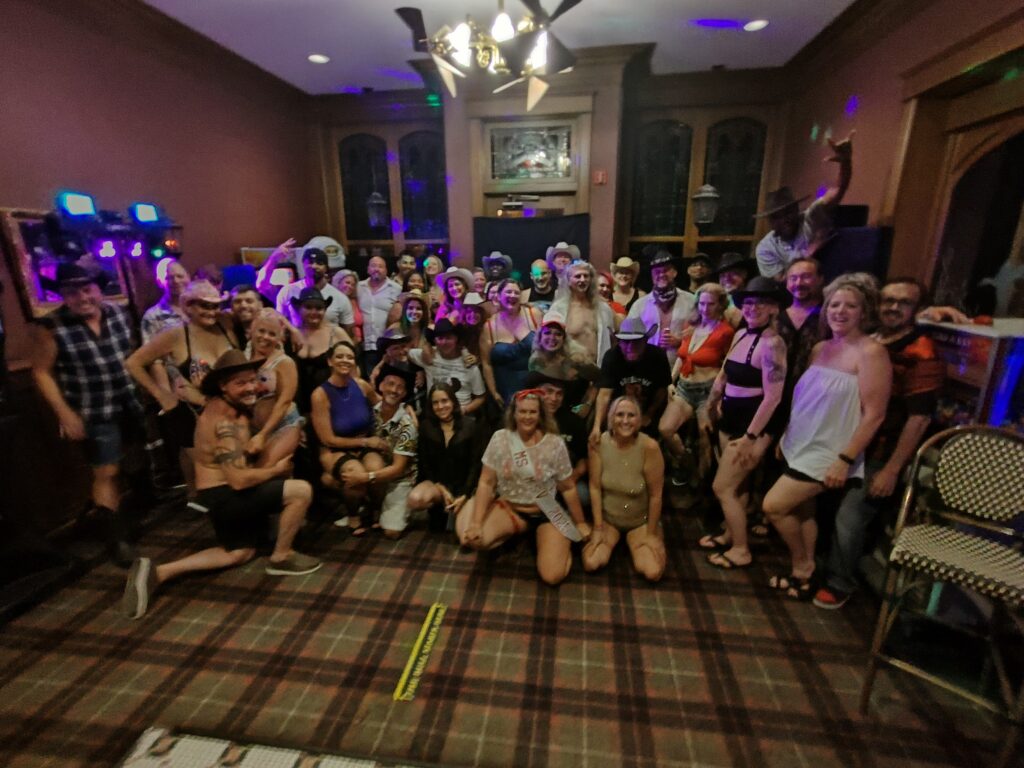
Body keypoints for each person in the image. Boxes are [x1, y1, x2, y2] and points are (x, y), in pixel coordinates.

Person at [122, 351, 321, 620]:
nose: (251, 387)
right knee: (301, 490)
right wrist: (277, 470)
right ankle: (281, 557)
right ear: (224, 386)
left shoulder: (220, 404)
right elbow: (239, 481)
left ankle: (159, 572)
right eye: (241, 383)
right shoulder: (227, 423)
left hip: (216, 493)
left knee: (239, 553)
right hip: (224, 496)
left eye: (252, 380)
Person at [813, 277, 942, 609]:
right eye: (888, 300)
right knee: (829, 509)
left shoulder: (922, 350)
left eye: (904, 302)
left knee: (850, 517)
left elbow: (919, 418)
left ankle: (840, 582)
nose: (894, 307)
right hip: (848, 443)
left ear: (918, 309)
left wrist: (893, 469)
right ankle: (821, 567)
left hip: (882, 450)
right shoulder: (869, 339)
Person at [762, 274, 891, 600]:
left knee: (774, 506)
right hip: (801, 442)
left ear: (864, 311)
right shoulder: (821, 348)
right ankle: (804, 576)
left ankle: (803, 565)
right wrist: (787, 435)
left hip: (831, 451)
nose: (840, 311)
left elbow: (875, 414)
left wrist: (845, 459)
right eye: (834, 304)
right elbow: (807, 398)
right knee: (804, 511)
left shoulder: (872, 352)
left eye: (850, 306)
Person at [32, 263, 140, 566]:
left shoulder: (117, 313)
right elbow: (41, 372)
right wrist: (65, 414)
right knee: (106, 472)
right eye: (72, 292)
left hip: (129, 402)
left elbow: (131, 354)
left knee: (132, 462)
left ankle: (115, 514)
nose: (82, 297)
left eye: (86, 289)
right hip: (93, 410)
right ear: (62, 295)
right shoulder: (51, 327)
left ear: (97, 289)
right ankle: (116, 538)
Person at [456, 390, 590, 586]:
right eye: (523, 411)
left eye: (532, 412)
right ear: (514, 413)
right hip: (511, 507)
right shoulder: (500, 438)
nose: (527, 416)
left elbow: (568, 488)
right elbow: (486, 482)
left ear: (540, 414)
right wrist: (476, 523)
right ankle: (519, 532)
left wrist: (580, 523)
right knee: (475, 540)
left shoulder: (555, 443)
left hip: (547, 510)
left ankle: (556, 543)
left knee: (552, 576)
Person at [701, 277, 790, 569]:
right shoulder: (741, 334)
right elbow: (724, 374)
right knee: (737, 488)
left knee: (723, 487)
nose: (753, 308)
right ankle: (730, 535)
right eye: (749, 302)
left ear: (774, 308)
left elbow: (773, 397)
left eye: (761, 303)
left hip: (753, 426)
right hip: (730, 416)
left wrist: (751, 437)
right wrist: (711, 403)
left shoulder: (773, 344)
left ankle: (741, 549)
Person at [126, 280, 241, 488]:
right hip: (194, 415)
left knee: (237, 473)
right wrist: (162, 395)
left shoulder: (226, 323)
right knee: (212, 479)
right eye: (204, 305)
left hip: (233, 411)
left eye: (215, 305)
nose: (212, 311)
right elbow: (134, 363)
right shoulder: (175, 334)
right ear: (188, 306)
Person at [583, 396, 666, 581]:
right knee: (590, 562)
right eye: (620, 415)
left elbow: (656, 495)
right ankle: (615, 539)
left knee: (652, 572)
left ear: (639, 420)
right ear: (611, 418)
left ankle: (648, 536)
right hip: (609, 520)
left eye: (631, 415)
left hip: (640, 522)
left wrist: (651, 534)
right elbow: (594, 487)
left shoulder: (650, 447)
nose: (625, 421)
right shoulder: (598, 443)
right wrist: (598, 527)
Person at [659, 283, 735, 485]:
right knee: (665, 429)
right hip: (684, 387)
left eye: (711, 304)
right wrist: (670, 380)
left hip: (707, 390)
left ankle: (702, 482)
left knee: (705, 435)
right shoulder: (691, 326)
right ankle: (687, 464)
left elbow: (727, 365)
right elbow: (682, 356)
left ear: (720, 305)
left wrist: (718, 395)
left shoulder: (725, 331)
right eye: (702, 303)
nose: (705, 308)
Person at [754, 133, 853, 280]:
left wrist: (845, 162)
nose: (784, 220)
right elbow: (780, 281)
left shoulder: (812, 217)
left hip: (832, 277)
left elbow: (838, 190)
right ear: (769, 221)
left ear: (796, 209)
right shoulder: (765, 247)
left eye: (787, 212)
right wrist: (810, 252)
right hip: (795, 291)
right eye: (776, 217)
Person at [339, 364, 418, 538]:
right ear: (380, 386)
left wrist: (364, 478)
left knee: (391, 532)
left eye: (400, 387)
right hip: (373, 469)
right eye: (390, 384)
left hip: (398, 479)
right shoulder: (368, 412)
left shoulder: (408, 426)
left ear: (404, 393)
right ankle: (368, 506)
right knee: (336, 477)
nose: (394, 390)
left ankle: (384, 507)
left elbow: (398, 468)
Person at [310, 341, 381, 531]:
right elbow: (327, 439)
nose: (345, 360)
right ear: (330, 361)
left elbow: (382, 406)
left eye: (350, 357)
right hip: (335, 448)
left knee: (376, 469)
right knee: (354, 474)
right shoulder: (320, 394)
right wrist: (366, 441)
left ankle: (375, 510)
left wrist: (405, 408)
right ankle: (353, 514)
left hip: (363, 443)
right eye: (340, 356)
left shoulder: (362, 385)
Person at [407, 383, 484, 532]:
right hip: (438, 485)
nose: (440, 406)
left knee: (463, 534)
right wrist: (442, 489)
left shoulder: (471, 426)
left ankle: (459, 509)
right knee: (415, 499)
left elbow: (475, 465)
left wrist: (465, 494)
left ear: (453, 401)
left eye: (444, 401)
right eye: (435, 403)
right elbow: (425, 465)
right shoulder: (426, 427)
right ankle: (440, 507)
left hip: (465, 487)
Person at [589, 318, 672, 446]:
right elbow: (604, 394)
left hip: (649, 409)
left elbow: (661, 391)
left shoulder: (658, 356)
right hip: (617, 411)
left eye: (636, 342)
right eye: (626, 342)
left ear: (645, 341)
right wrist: (597, 426)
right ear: (619, 342)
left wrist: (649, 414)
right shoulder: (612, 356)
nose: (630, 347)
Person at [248, 309, 303, 468]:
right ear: (252, 330)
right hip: (252, 428)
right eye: (261, 331)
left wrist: (263, 435)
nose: (265, 337)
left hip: (283, 426)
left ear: (279, 337)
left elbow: (284, 402)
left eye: (272, 334)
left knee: (262, 471)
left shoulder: (285, 362)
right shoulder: (244, 356)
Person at [528, 372, 590, 506]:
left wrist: (572, 478)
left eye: (559, 394)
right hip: (532, 479)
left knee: (583, 495)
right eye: (549, 391)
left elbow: (584, 461)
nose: (554, 398)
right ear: (536, 391)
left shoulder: (574, 422)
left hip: (564, 479)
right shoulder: (526, 418)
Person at [626, 252, 695, 366]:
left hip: (682, 369)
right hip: (646, 367)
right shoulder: (639, 305)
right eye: (657, 272)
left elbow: (704, 334)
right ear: (652, 276)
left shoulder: (691, 301)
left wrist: (681, 341)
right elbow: (628, 338)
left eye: (666, 270)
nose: (662, 274)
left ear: (675, 272)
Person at [291, 288, 353, 413]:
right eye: (308, 307)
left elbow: (354, 368)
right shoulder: (292, 334)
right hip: (301, 403)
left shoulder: (336, 333)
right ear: (299, 308)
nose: (314, 312)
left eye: (319, 308)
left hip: (333, 401)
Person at [480, 279, 542, 404]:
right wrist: (494, 392)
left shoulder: (534, 315)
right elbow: (486, 363)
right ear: (499, 296)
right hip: (505, 389)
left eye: (516, 292)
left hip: (535, 384)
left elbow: (546, 348)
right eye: (508, 292)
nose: (513, 295)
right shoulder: (489, 326)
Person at [409, 318, 486, 416]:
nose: (444, 342)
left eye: (449, 338)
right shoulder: (429, 356)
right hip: (435, 414)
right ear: (435, 341)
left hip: (461, 414)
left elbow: (480, 397)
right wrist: (419, 369)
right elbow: (403, 352)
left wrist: (464, 410)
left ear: (456, 339)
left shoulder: (468, 363)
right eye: (440, 338)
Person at [548, 260, 616, 367]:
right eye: (578, 276)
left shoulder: (603, 309)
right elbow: (549, 341)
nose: (583, 280)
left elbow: (612, 340)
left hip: (598, 368)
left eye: (586, 276)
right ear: (568, 280)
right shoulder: (558, 308)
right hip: (570, 370)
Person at [276, 247, 355, 335]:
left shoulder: (340, 298)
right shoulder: (287, 291)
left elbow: (349, 333)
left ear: (326, 268)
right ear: (303, 264)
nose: (314, 266)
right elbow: (280, 323)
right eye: (310, 262)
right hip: (298, 342)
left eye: (319, 263)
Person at [528, 314, 599, 409]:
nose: (552, 337)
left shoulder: (577, 359)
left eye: (558, 334)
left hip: (572, 411)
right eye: (547, 333)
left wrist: (587, 405)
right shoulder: (535, 360)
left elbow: (601, 380)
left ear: (564, 339)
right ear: (540, 337)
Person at [777, 257, 825, 381]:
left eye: (806, 277)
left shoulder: (829, 318)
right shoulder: (776, 318)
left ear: (820, 279)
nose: (798, 283)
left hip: (814, 388)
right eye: (793, 278)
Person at [358, 255, 402, 376]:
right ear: (368, 269)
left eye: (380, 266)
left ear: (386, 270)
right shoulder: (359, 287)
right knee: (369, 380)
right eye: (373, 266)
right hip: (365, 346)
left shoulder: (396, 288)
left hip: (387, 346)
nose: (376, 269)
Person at [141, 258, 189, 343]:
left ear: (188, 277)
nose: (176, 281)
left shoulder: (199, 307)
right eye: (169, 278)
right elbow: (151, 349)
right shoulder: (153, 316)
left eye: (180, 276)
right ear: (160, 282)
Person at [714, 252, 757, 327]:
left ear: (744, 274)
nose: (727, 278)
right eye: (723, 275)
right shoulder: (717, 301)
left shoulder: (753, 301)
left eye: (733, 273)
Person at [331, 268, 364, 344]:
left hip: (359, 344)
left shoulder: (355, 301)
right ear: (338, 282)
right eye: (347, 282)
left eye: (353, 285)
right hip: (340, 343)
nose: (350, 286)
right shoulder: (333, 301)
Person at [460, 292, 487, 359]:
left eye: (476, 311)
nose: (472, 315)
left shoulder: (486, 331)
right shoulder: (461, 331)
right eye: (469, 311)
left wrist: (477, 358)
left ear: (481, 313)